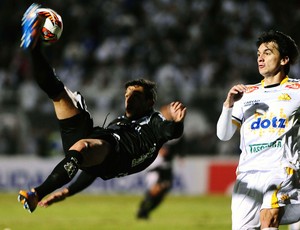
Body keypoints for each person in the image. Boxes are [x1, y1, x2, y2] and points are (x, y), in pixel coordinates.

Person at [17, 4, 186, 213]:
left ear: (149, 102)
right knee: (59, 96)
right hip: (97, 142)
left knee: (85, 147)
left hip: (116, 155)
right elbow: (91, 170)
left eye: (135, 96)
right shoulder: (119, 123)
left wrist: (178, 122)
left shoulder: (154, 121)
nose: (128, 99)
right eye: (126, 95)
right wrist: (68, 191)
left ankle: (36, 193)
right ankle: (34, 48)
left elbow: (171, 132)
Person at [217, 30, 300, 229]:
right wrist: (228, 104)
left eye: (268, 52)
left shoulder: (297, 90)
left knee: (268, 218)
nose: (260, 58)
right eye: (258, 54)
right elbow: (224, 134)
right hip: (247, 174)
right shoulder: (245, 94)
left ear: (284, 59)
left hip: (281, 168)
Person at [136, 114, 184, 220]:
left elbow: (175, 148)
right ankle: (142, 209)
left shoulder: (174, 136)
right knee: (156, 189)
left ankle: (145, 211)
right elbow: (162, 150)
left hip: (165, 168)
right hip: (156, 167)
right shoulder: (160, 131)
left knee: (163, 191)